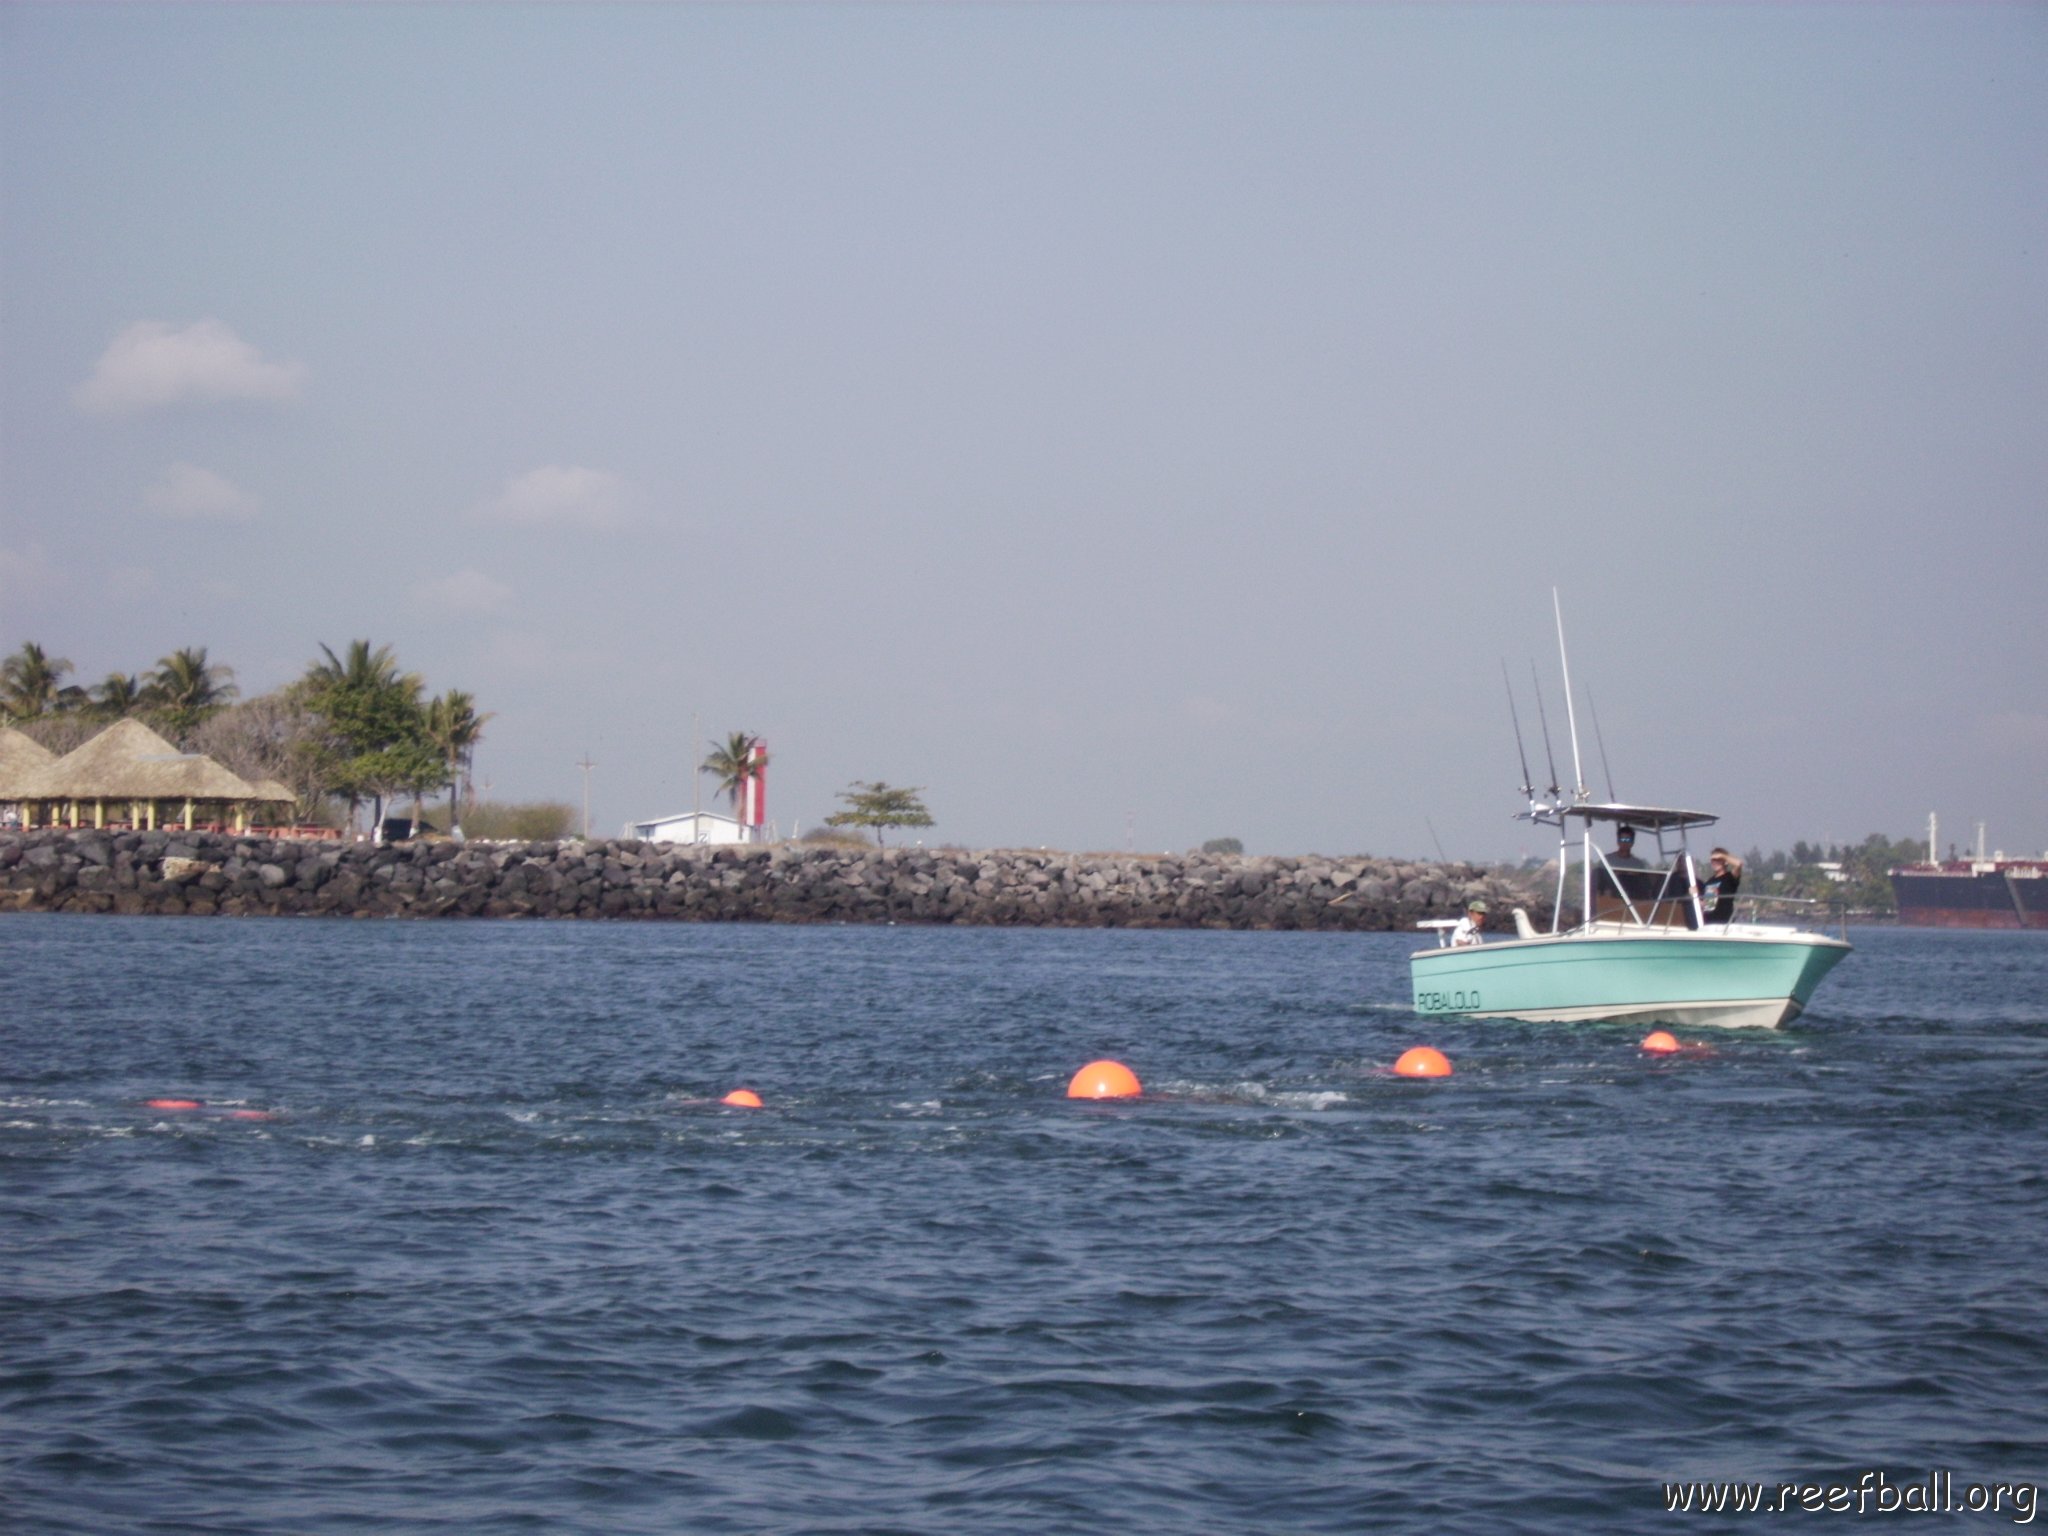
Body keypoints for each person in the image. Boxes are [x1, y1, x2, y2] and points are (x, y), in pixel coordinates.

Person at [1698, 847, 1743, 924]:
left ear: (1725, 862)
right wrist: (1694, 895)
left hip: (1724, 923)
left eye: (1718, 860)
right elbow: (1709, 905)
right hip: (1709, 923)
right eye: (1713, 860)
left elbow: (1739, 864)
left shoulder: (1730, 877)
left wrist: (1722, 856)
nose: (1715, 862)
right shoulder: (1710, 881)